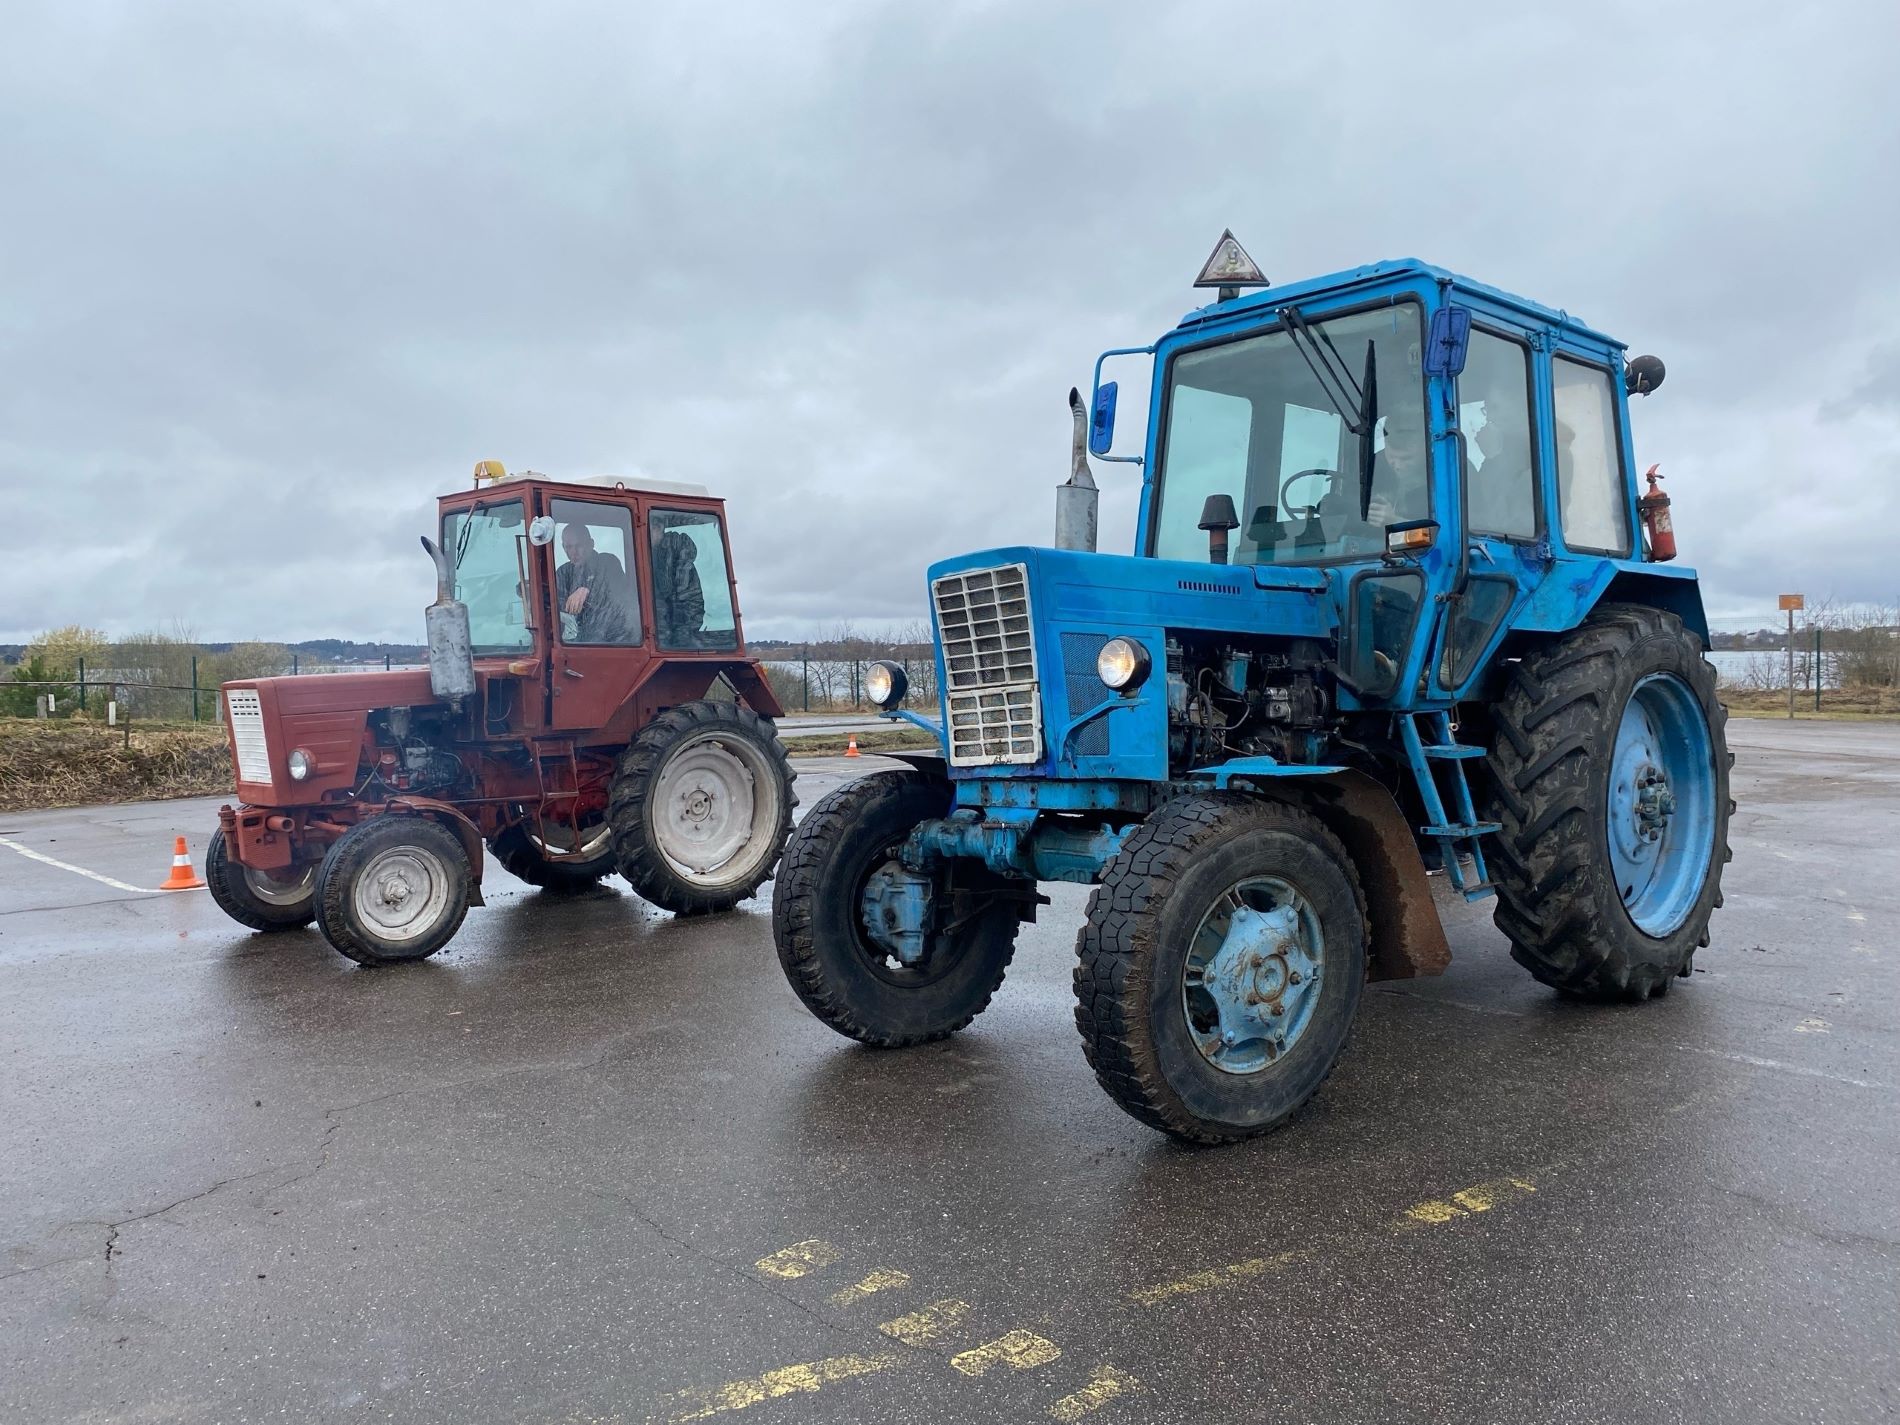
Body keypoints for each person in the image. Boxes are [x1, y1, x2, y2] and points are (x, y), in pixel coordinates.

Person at [555, 523, 635, 644]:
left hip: (615, 642)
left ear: (591, 544)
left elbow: (617, 595)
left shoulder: (608, 562)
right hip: (580, 642)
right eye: (569, 547)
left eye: (579, 546)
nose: (574, 552)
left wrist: (587, 590)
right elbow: (559, 606)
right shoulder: (563, 572)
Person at [650, 516, 707, 648]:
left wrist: (680, 633)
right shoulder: (652, 554)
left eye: (649, 530)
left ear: (658, 528)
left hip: (681, 624)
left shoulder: (675, 557)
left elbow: (681, 598)